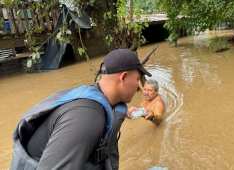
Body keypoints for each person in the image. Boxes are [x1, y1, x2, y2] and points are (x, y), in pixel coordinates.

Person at [10, 48, 151, 170]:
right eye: (137, 79)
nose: (139, 86)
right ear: (124, 77)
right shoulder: (87, 116)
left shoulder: (95, 98)